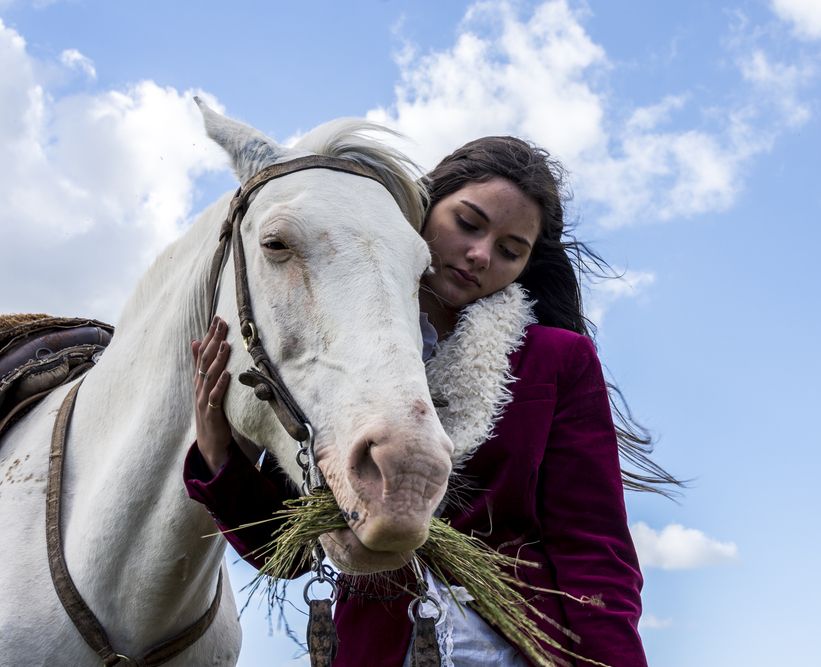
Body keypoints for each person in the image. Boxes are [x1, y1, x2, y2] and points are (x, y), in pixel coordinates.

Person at [184, 136, 678, 666]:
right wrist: (218, 453)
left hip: (517, 650)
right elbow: (288, 551)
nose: (481, 255)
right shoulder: (338, 358)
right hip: (375, 652)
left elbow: (592, 546)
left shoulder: (557, 361)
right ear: (423, 207)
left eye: (511, 251)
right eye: (467, 223)